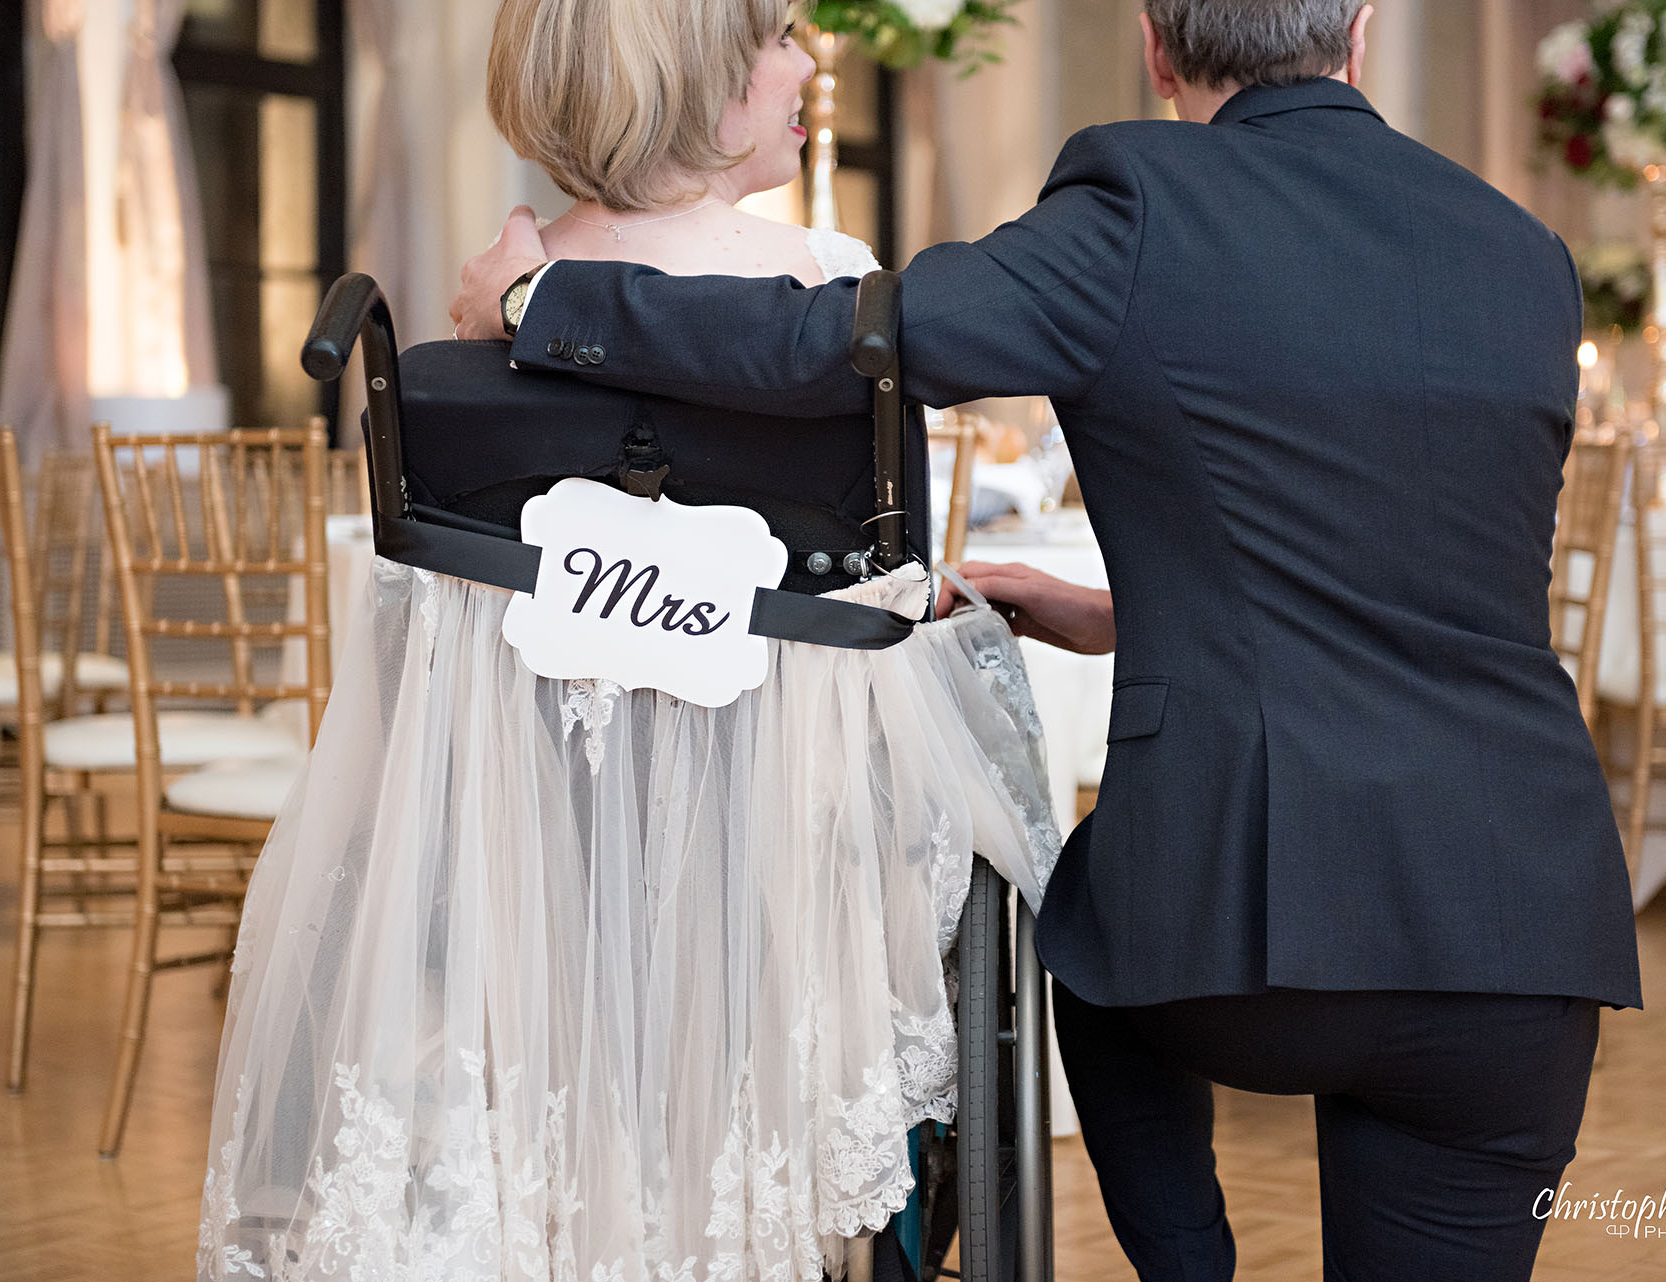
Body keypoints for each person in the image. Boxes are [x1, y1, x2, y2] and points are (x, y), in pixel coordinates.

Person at [449, 1, 1644, 1277]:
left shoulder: (1138, 202)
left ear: (1157, 44)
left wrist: (541, 298)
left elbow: (844, 343)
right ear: (1359, 34)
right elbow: (1407, 557)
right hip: (1520, 924)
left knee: (1084, 936)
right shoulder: (1523, 253)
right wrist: (1145, 617)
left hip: (1242, 939)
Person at [200, 3, 1057, 1279]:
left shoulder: (473, 335)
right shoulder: (832, 295)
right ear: (692, 83)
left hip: (530, 883)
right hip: (789, 888)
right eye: (773, 35)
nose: (807, 58)